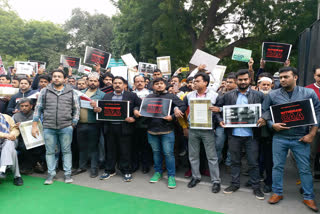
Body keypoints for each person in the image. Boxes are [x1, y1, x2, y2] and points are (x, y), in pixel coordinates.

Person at [263, 67, 320, 212]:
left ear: (295, 77)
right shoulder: (273, 94)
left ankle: (308, 196)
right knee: (277, 166)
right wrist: (271, 124)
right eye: (280, 77)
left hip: (300, 137)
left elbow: (317, 112)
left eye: (286, 77)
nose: (282, 80)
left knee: (305, 168)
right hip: (280, 137)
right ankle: (277, 193)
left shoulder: (308, 93)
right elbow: (265, 111)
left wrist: (312, 133)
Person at [216, 69, 266, 200]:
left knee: (253, 163)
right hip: (234, 135)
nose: (243, 82)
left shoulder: (259, 95)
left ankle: (256, 187)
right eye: (240, 80)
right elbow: (217, 110)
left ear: (250, 80)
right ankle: (234, 184)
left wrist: (264, 118)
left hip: (252, 135)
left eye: (245, 79)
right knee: (234, 161)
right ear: (237, 80)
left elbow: (267, 110)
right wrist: (220, 120)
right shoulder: (228, 96)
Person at [134, 77, 187, 189]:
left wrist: (173, 114)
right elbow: (138, 105)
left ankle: (171, 176)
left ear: (165, 85)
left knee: (168, 153)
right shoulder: (149, 97)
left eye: (161, 83)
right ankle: (158, 172)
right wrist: (135, 110)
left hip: (167, 130)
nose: (159, 85)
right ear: (153, 86)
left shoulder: (171, 96)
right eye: (156, 84)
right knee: (156, 152)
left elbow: (183, 105)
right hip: (152, 130)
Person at [32, 69, 80, 185]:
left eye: (59, 76)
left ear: (64, 79)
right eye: (54, 76)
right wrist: (34, 125)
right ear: (52, 78)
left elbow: (76, 109)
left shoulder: (72, 92)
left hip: (66, 126)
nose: (57, 78)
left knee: (66, 151)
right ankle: (51, 174)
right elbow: (38, 109)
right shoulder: (44, 91)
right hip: (49, 126)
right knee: (49, 152)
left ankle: (67, 173)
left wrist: (73, 123)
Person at [92, 76, 141, 182]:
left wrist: (134, 118)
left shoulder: (131, 95)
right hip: (110, 127)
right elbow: (103, 110)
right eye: (115, 83)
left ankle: (126, 171)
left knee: (125, 150)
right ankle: (109, 170)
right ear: (112, 85)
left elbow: (139, 106)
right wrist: (98, 109)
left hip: (125, 128)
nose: (117, 85)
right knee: (110, 150)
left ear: (124, 85)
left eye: (120, 83)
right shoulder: (107, 96)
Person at [182, 73, 221, 193]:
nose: (194, 83)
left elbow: (220, 110)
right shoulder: (189, 96)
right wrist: (176, 109)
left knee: (212, 156)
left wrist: (218, 109)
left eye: (197, 81)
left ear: (205, 82)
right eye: (194, 81)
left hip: (208, 129)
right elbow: (182, 107)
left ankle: (216, 181)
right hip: (193, 128)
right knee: (193, 155)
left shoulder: (215, 95)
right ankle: (195, 177)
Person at [74, 72, 105, 178]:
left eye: (95, 81)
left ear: (98, 83)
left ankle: (94, 168)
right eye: (91, 80)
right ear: (87, 81)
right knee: (81, 147)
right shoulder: (80, 93)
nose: (92, 82)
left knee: (93, 148)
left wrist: (98, 109)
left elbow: (105, 111)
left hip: (94, 124)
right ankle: (81, 167)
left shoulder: (102, 95)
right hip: (80, 124)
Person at [13, 98, 44, 174]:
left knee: (39, 147)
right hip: (22, 139)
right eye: (22, 106)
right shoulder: (15, 116)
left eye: (26, 106)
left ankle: (29, 166)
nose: (24, 108)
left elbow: (42, 127)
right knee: (24, 146)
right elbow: (12, 128)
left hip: (37, 138)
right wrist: (16, 127)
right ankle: (34, 164)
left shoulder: (37, 115)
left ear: (31, 106)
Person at [131, 75, 152, 173]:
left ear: (145, 82)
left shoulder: (150, 94)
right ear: (134, 83)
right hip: (133, 124)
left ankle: (145, 165)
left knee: (146, 146)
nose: (139, 83)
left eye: (141, 81)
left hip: (147, 124)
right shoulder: (130, 94)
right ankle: (135, 164)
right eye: (137, 81)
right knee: (134, 146)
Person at [0, 112, 23, 186]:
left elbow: (15, 129)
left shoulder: (6, 117)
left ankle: (2, 170)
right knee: (13, 152)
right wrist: (6, 135)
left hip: (8, 140)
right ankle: (17, 176)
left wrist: (13, 135)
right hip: (5, 139)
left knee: (9, 143)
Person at [306, 65, 320, 179]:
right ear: (314, 76)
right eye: (319, 75)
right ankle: (307, 181)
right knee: (310, 155)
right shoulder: (308, 90)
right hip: (313, 128)